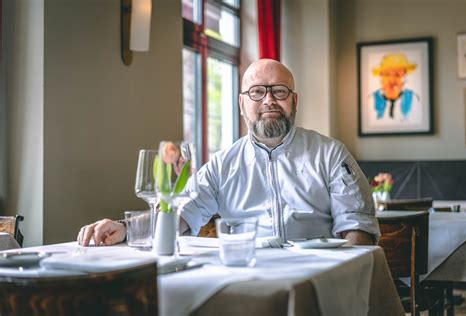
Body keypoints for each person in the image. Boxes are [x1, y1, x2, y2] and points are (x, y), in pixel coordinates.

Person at [77, 59, 379, 247]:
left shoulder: (330, 154)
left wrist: (341, 278)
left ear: (294, 101)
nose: (269, 100)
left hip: (320, 279)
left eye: (280, 91)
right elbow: (180, 213)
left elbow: (358, 230)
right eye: (257, 92)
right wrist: (126, 228)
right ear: (241, 104)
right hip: (246, 275)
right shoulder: (223, 165)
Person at [371, 53, 419, 121]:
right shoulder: (371, 99)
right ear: (380, 78)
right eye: (386, 75)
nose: (391, 80)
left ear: (404, 79)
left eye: (397, 75)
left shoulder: (414, 99)